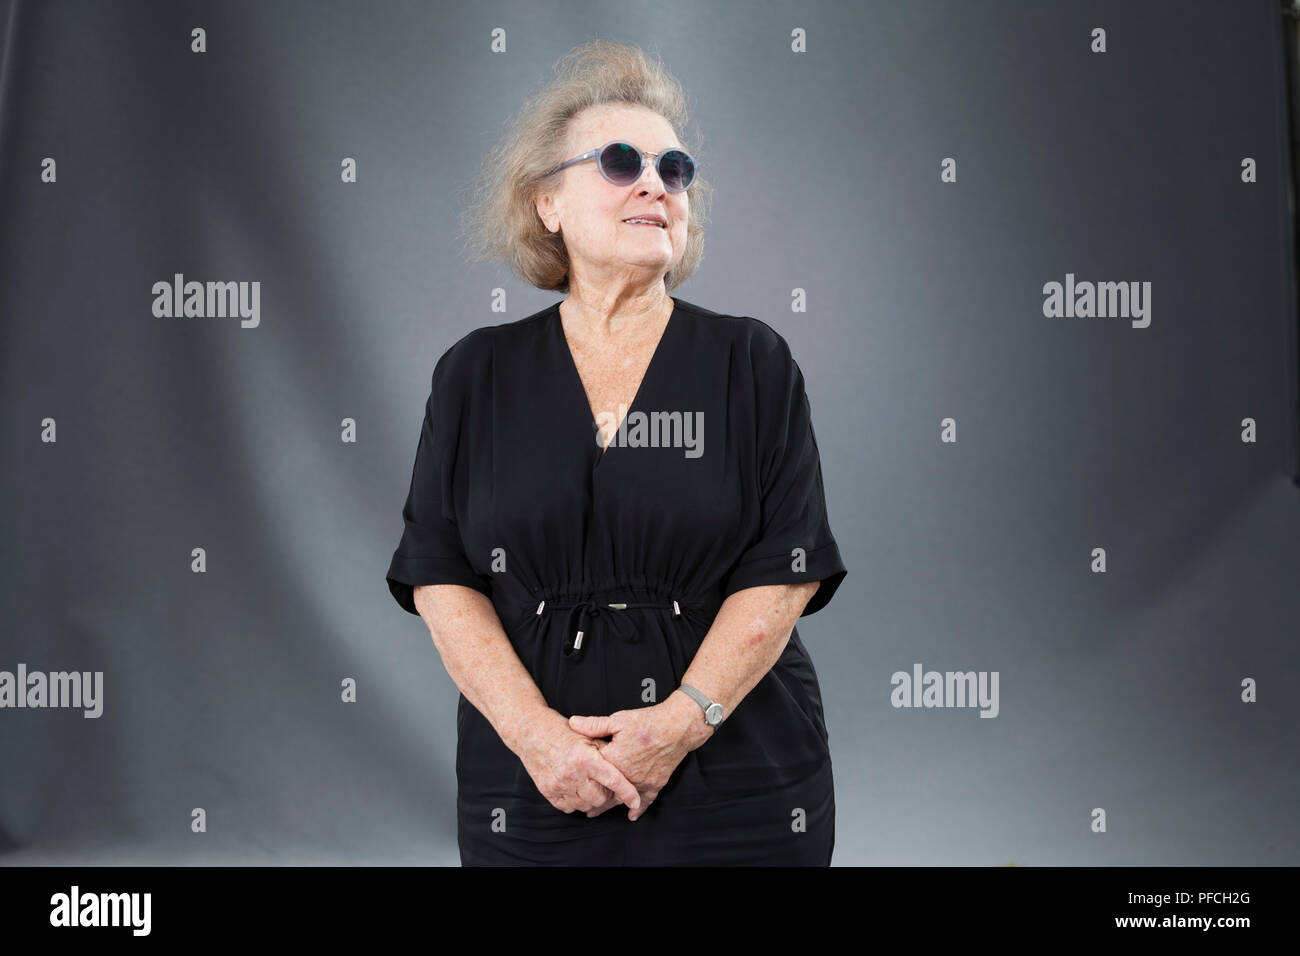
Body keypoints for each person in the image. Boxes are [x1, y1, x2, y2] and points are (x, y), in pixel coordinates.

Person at [385, 39, 847, 865]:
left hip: (736, 776)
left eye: (675, 169)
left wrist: (675, 727)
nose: (655, 184)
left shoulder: (753, 362)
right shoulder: (474, 374)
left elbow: (789, 568)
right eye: (621, 161)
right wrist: (536, 741)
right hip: (535, 778)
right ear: (547, 204)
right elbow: (438, 573)